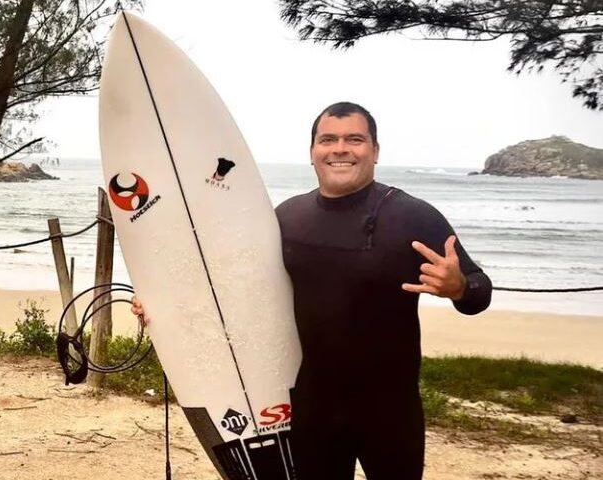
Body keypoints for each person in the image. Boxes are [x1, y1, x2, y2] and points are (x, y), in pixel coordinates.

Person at [131, 101, 492, 479]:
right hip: (313, 406)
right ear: (312, 152)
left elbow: (480, 293)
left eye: (354, 139)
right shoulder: (288, 218)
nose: (340, 148)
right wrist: (163, 301)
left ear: (375, 150)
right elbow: (234, 286)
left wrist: (459, 287)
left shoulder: (412, 216)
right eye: (328, 139)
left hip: (390, 411)